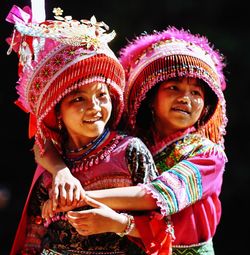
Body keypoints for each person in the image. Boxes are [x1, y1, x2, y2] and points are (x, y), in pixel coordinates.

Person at [35, 26, 228, 255]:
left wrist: (77, 198)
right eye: (173, 88)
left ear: (206, 105)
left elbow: (154, 196)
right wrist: (61, 172)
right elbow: (44, 145)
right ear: (150, 97)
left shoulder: (207, 155)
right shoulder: (131, 140)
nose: (185, 99)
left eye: (196, 93)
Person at [6, 2, 160, 255]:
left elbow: (164, 229)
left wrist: (119, 224)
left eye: (102, 94)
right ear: (57, 110)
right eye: (78, 99)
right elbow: (33, 238)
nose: (94, 107)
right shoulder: (52, 160)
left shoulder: (130, 151)